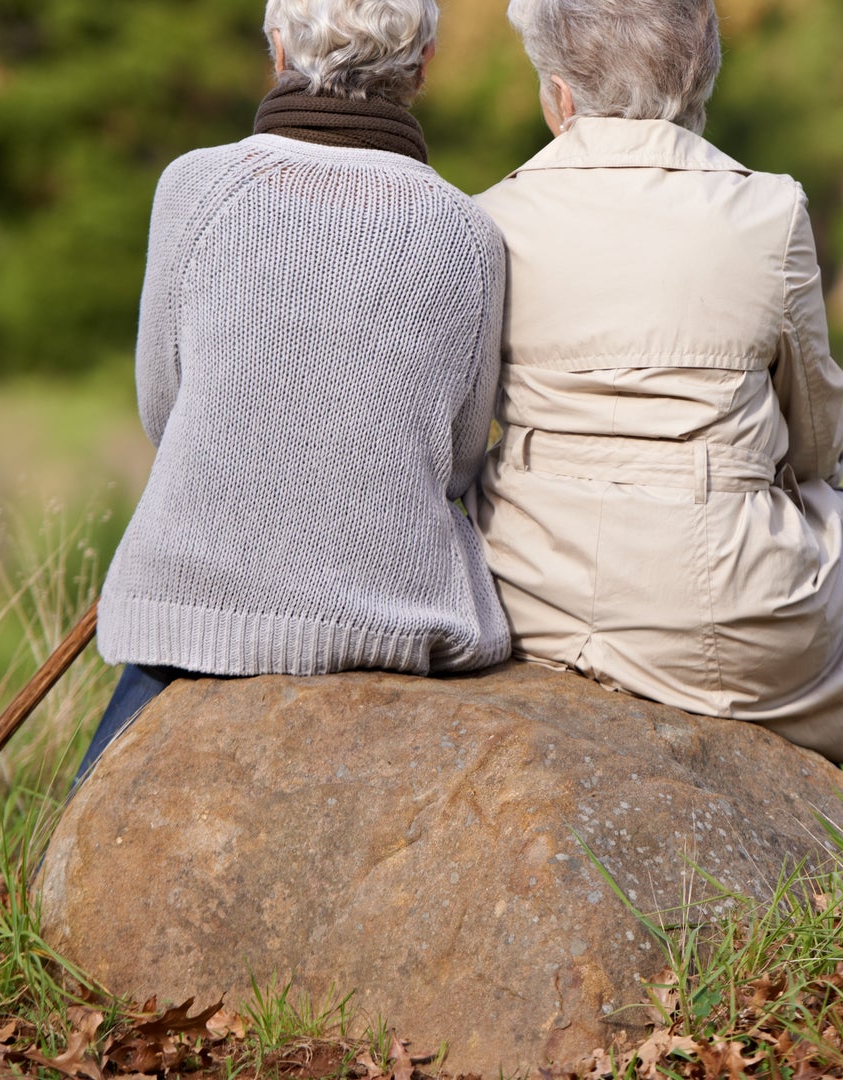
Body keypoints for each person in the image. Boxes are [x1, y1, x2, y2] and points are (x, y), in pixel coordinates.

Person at [472, 0, 843, 843]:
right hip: (723, 604)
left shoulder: (490, 215)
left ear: (560, 96)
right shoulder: (768, 210)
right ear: (698, 81)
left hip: (533, 590)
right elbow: (816, 431)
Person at [76, 0, 510, 786]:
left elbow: (163, 411)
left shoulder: (195, 186)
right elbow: (457, 458)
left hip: (193, 615)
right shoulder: (468, 232)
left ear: (278, 49)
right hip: (395, 617)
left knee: (81, 816)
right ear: (423, 67)